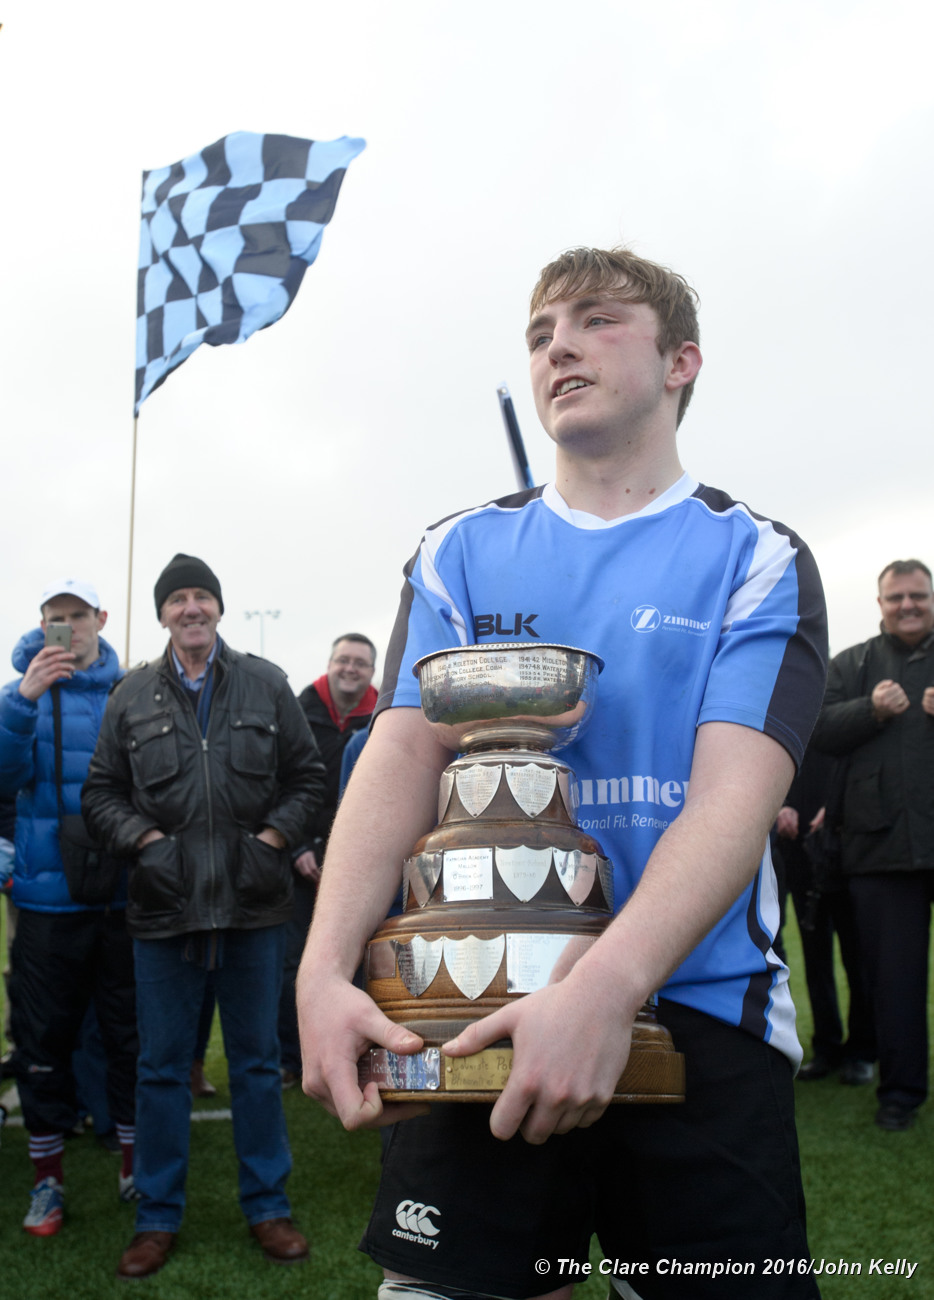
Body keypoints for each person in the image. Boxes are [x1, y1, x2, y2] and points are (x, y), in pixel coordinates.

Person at [297, 247, 829, 1300]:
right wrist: (321, 970)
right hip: (471, 997)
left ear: (681, 361)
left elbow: (736, 794)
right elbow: (402, 750)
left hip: (694, 1009)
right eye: (540, 333)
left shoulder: (755, 555)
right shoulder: (458, 550)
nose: (558, 346)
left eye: (594, 320)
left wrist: (606, 987)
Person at [82, 554, 325, 1279]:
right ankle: (156, 1217)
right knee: (161, 1070)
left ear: (218, 608)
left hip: (255, 908)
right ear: (163, 614)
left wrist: (273, 842)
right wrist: (147, 845)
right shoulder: (130, 696)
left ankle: (268, 1207)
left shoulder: (267, 683)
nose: (192, 608)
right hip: (164, 913)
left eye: (202, 596)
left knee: (255, 1064)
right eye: (178, 599)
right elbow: (101, 794)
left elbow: (309, 777)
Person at [0, 578, 137, 1236]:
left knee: (128, 1035)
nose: (68, 629)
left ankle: (135, 1166)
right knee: (43, 1044)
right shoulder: (20, 693)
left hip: (119, 895)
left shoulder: (129, 690)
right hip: (47, 903)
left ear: (100, 619)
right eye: (56, 618)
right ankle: (46, 1182)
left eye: (78, 616)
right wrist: (23, 700)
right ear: (43, 624)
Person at [810, 559, 934, 1132]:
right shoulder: (854, 664)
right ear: (880, 604)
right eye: (896, 598)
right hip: (879, 850)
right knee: (895, 982)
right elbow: (817, 731)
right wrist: (872, 709)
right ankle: (901, 1094)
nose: (908, 605)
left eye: (918, 596)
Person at [277, 635, 378, 1086]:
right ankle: (292, 1056)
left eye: (360, 663)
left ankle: (361, 1048)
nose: (350, 668)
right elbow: (282, 783)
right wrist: (297, 846)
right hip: (301, 860)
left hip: (359, 864)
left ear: (373, 672)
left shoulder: (387, 722)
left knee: (363, 960)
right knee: (296, 961)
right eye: (344, 660)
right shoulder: (298, 711)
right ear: (329, 664)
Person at [773, 750, 875, 1083]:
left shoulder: (847, 708)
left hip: (847, 844)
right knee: (815, 955)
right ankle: (827, 1047)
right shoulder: (796, 706)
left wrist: (837, 807)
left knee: (856, 955)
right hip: (800, 845)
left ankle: (862, 1050)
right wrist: (782, 802)